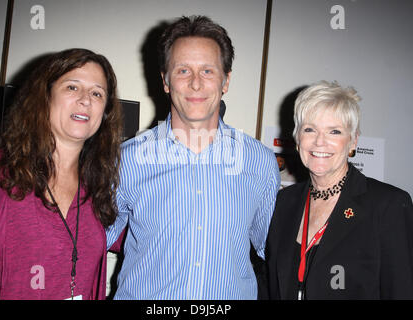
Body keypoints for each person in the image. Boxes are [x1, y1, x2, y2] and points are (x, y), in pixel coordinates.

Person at [106, 15, 280, 300]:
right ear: (165, 80)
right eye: (183, 71)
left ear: (226, 80)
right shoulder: (127, 160)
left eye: (208, 71)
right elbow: (88, 243)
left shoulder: (259, 162)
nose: (196, 84)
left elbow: (273, 252)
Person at [0, 48, 123, 299]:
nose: (86, 99)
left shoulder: (100, 187)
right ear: (45, 96)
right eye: (72, 87)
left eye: (97, 93)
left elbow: (147, 234)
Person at [264, 80, 413, 299]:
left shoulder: (387, 205)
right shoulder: (283, 202)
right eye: (309, 129)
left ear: (353, 141)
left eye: (334, 131)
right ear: (297, 140)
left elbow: (401, 291)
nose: (319, 142)